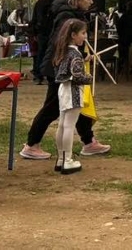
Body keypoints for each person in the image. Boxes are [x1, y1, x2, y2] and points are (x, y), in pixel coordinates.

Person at [20, 0, 111, 160]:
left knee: (78, 102)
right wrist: (78, 58)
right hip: (59, 68)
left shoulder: (71, 13)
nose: (91, 2)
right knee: (52, 108)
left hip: (63, 65)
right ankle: (31, 144)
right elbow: (61, 43)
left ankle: (88, 141)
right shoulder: (65, 16)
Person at [51, 18, 93, 175]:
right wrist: (88, 78)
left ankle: (61, 159)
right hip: (73, 91)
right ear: (73, 35)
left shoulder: (64, 51)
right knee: (69, 126)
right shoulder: (75, 53)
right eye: (83, 33)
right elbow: (77, 76)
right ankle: (67, 160)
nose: (85, 36)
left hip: (63, 89)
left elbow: (66, 71)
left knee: (62, 125)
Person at [31, 0, 59, 84]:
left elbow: (34, 18)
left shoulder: (39, 2)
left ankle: (38, 75)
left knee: (40, 53)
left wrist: (34, 32)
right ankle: (49, 74)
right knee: (51, 53)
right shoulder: (55, 2)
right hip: (51, 31)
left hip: (40, 32)